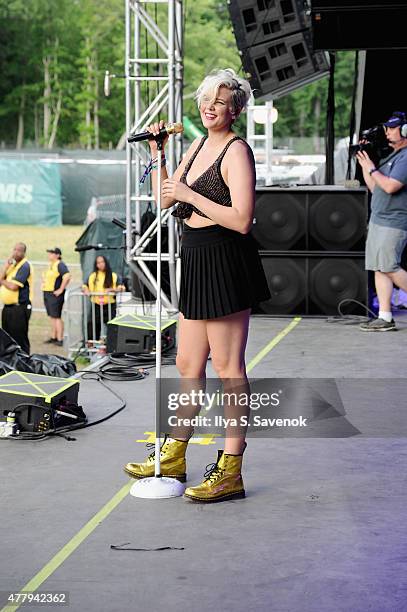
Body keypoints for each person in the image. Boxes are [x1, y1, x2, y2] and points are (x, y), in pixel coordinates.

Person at [124, 68, 271, 502]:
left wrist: (193, 196)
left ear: (236, 109)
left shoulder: (237, 151)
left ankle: (231, 471)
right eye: (207, 99)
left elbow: (242, 220)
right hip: (197, 257)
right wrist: (159, 152)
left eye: (221, 101)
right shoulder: (199, 143)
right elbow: (165, 197)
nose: (211, 106)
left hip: (226, 260)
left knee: (229, 372)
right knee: (188, 366)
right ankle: (173, 454)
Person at [357, 111, 407, 331]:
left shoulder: (406, 158)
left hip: (393, 222)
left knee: (390, 266)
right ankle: (385, 316)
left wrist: (372, 168)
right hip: (379, 219)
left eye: (392, 127)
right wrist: (364, 163)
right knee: (379, 267)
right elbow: (376, 187)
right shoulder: (393, 157)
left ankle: (385, 316)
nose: (387, 131)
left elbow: (391, 186)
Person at [0, 242, 33, 354]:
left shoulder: (25, 266)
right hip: (8, 308)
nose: (15, 252)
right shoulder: (13, 266)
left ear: (23, 252)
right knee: (6, 337)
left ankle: (24, 361)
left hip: (19, 307)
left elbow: (14, 287)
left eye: (19, 250)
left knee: (19, 337)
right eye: (14, 250)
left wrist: (3, 281)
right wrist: (5, 266)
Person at [82, 255, 125, 341]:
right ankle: (92, 346)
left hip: (109, 305)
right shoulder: (93, 276)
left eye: (102, 262)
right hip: (96, 305)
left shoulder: (113, 275)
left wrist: (111, 289)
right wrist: (86, 290)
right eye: (98, 263)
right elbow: (84, 285)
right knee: (93, 326)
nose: (100, 264)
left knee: (111, 327)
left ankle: (111, 345)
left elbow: (122, 288)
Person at [42, 247, 71, 347]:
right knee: (52, 316)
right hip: (48, 293)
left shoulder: (60, 264)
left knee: (56, 316)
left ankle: (60, 338)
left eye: (52, 253)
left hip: (55, 294)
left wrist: (61, 289)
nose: (49, 255)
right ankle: (53, 336)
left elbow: (67, 276)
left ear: (58, 255)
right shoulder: (52, 265)